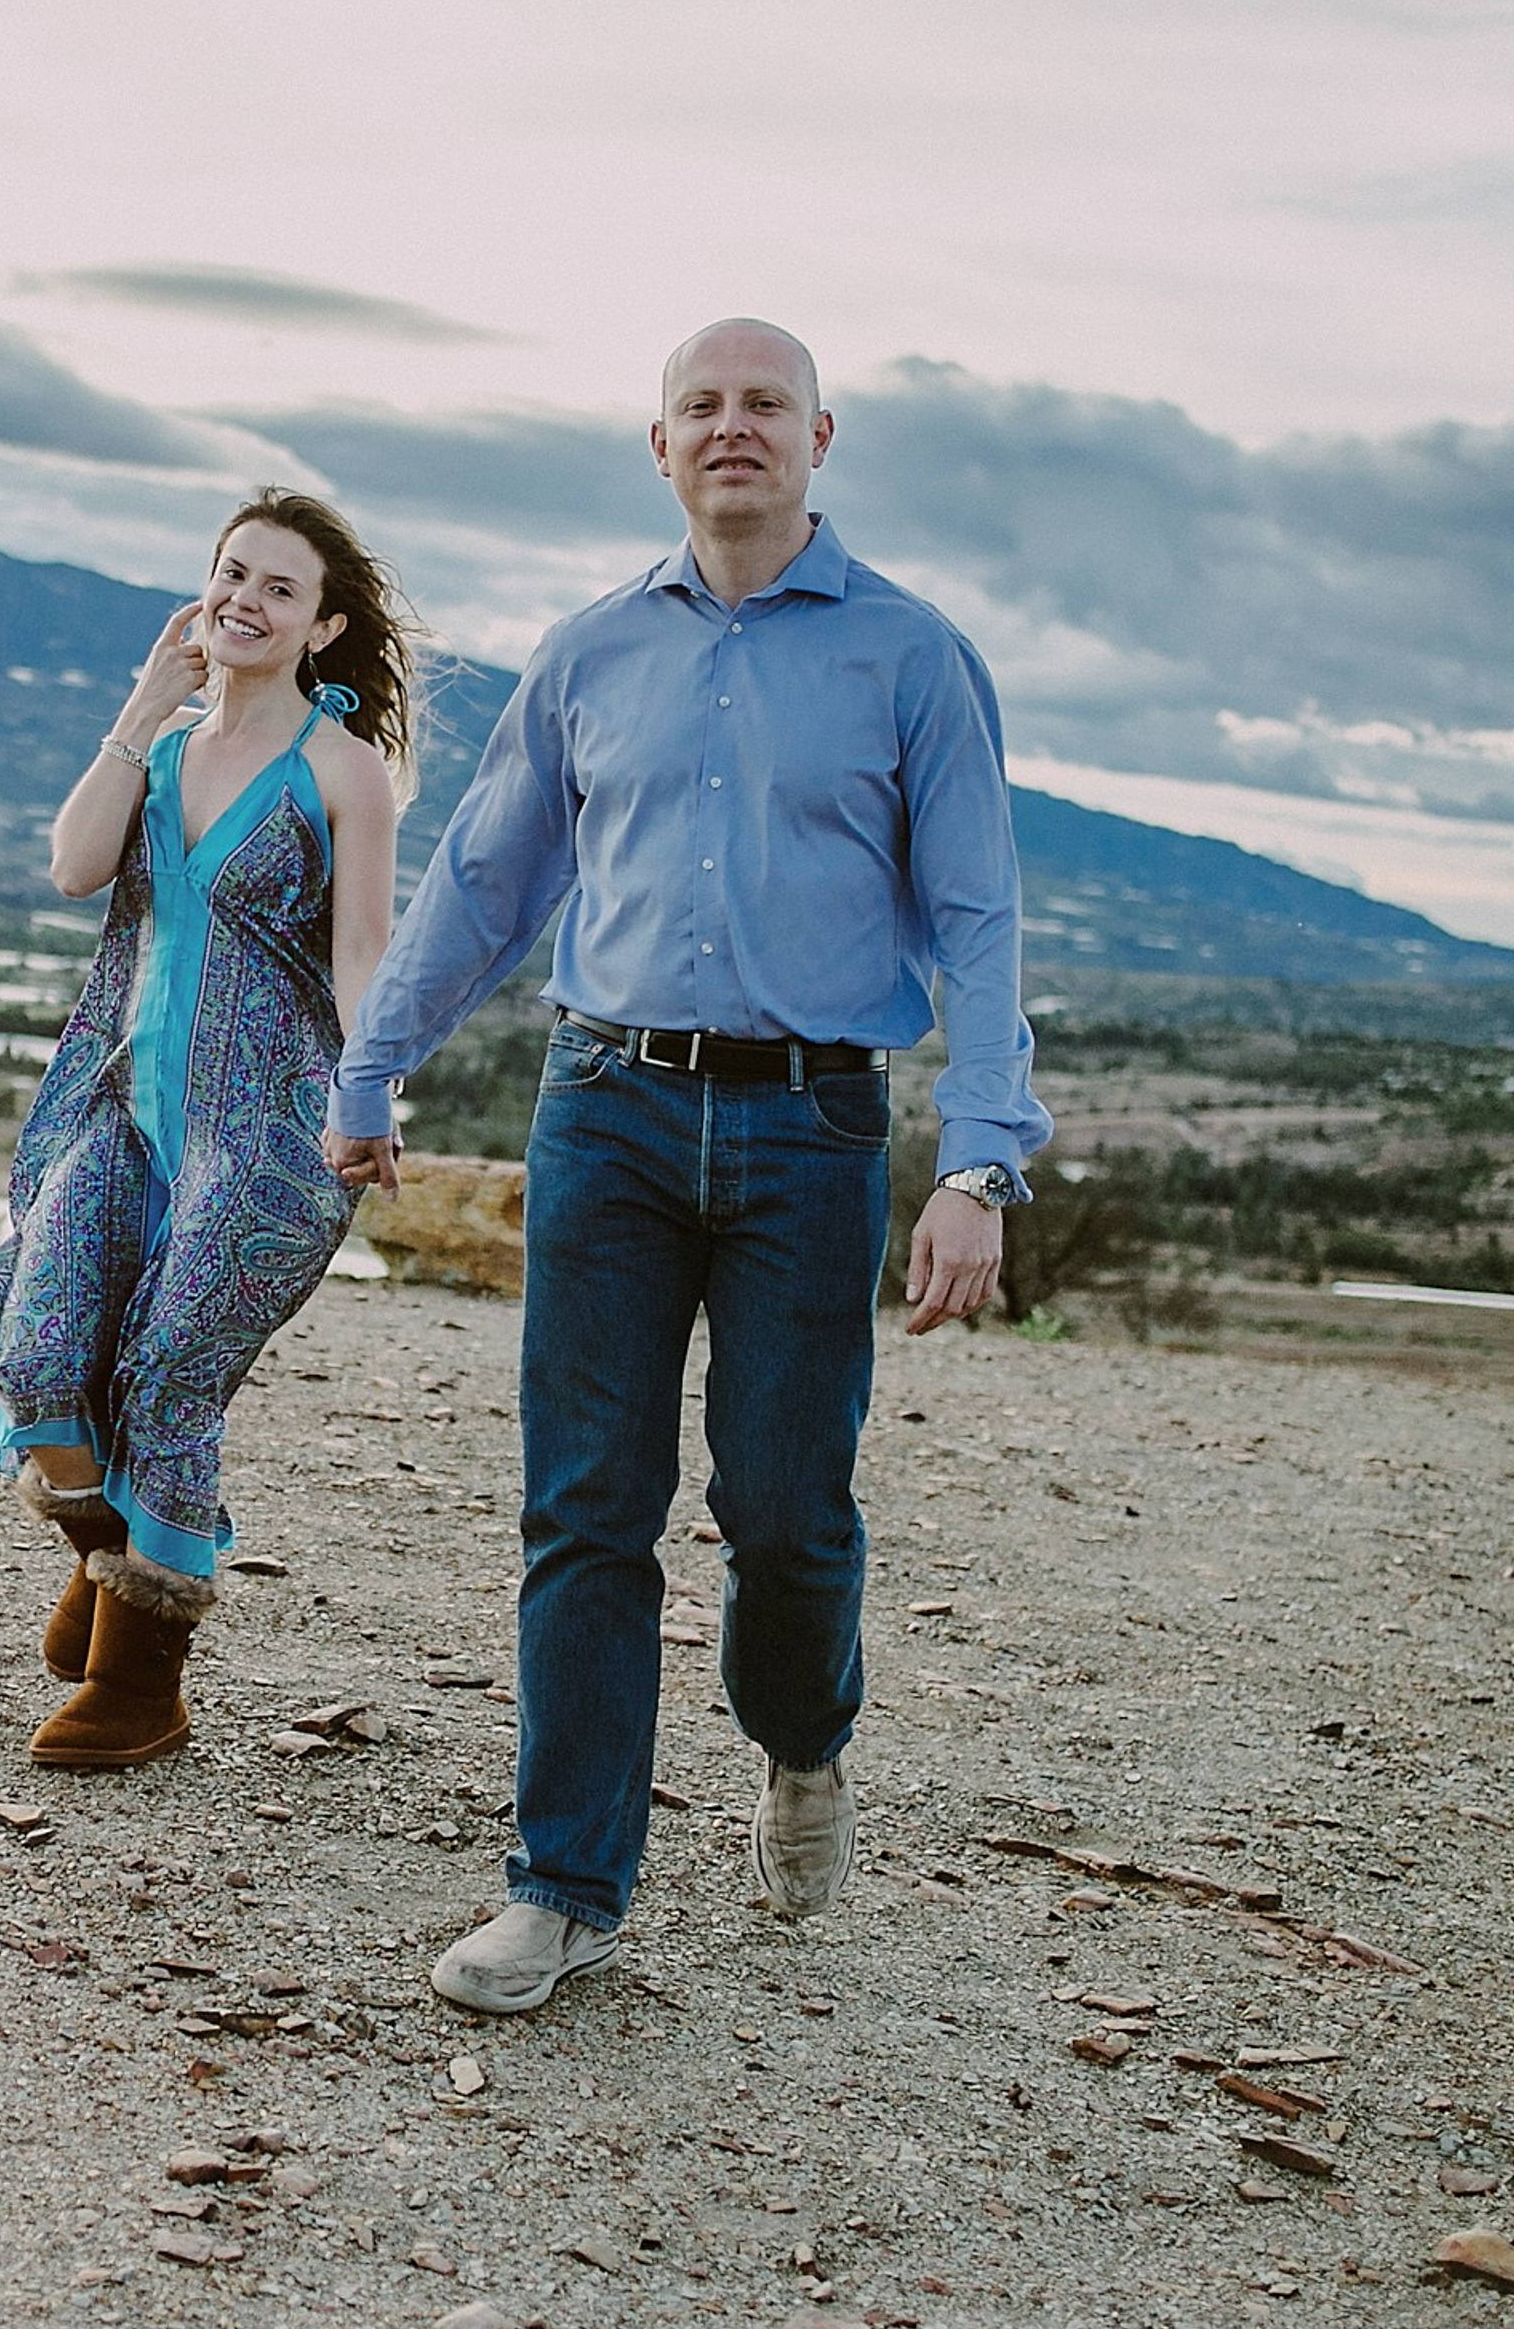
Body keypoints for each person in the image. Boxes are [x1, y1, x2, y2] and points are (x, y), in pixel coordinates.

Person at [323, 319, 1051, 2012]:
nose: (735, 429)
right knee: (587, 1504)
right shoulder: (588, 655)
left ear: (819, 440)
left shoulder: (913, 657)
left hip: (814, 1126)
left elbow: (978, 923)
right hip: (612, 1111)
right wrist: (375, 1061)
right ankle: (565, 1885)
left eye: (766, 406)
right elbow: (485, 886)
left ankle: (803, 1745)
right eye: (702, 406)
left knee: (787, 1514)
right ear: (661, 447)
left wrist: (982, 1158)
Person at [0, 489, 418, 1768]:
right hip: (118, 1110)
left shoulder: (341, 770)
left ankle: (143, 1684)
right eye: (231, 575)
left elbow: (365, 948)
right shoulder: (159, 755)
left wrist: (370, 1091)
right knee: (40, 1354)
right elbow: (70, 868)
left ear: (322, 625)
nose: (245, 602)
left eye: (279, 588)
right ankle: (118, 1564)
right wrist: (137, 709)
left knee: (168, 1375)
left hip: (267, 1127)